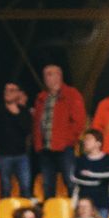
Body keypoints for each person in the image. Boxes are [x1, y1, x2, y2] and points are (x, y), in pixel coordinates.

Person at [35, 65, 91, 202]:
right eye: (45, 74)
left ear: (59, 76)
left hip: (64, 147)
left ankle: (77, 214)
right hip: (46, 148)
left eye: (49, 74)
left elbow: (79, 121)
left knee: (70, 181)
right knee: (47, 185)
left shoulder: (71, 94)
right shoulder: (41, 97)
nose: (46, 77)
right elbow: (37, 122)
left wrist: (68, 140)